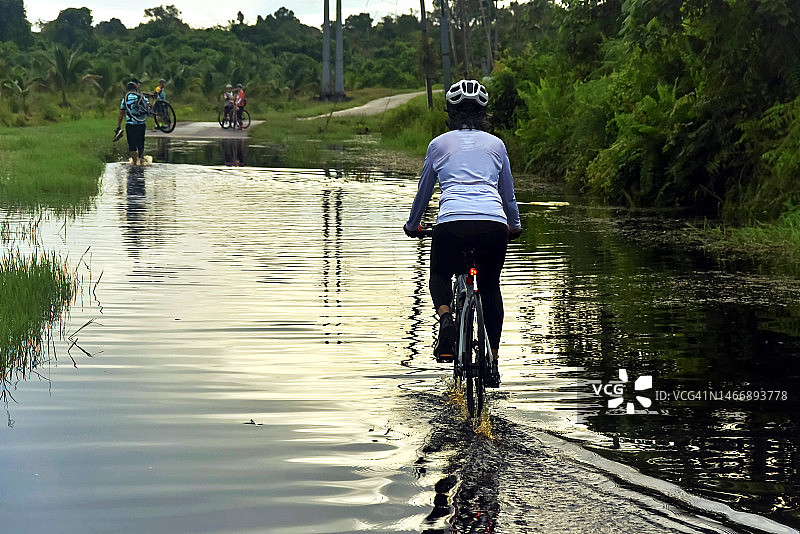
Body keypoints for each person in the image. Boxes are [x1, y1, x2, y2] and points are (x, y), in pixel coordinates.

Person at [403, 79, 522, 388]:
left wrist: (413, 225)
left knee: (439, 275)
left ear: (450, 112)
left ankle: (446, 318)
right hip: (492, 226)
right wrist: (515, 225)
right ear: (484, 113)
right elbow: (508, 195)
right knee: (490, 286)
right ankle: (492, 360)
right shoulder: (497, 145)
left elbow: (423, 193)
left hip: (451, 225)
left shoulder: (438, 144)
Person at [116, 79, 149, 166]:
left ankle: (134, 163)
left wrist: (119, 126)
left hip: (130, 124)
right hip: (141, 124)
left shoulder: (125, 100)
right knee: (141, 142)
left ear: (127, 89)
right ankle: (141, 161)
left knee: (132, 144)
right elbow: (148, 107)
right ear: (136, 88)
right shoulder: (142, 98)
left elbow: (121, 114)